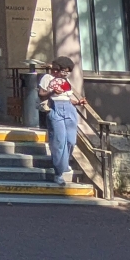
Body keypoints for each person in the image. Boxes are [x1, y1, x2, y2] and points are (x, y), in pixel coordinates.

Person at [38, 56, 86, 185]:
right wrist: (52, 91)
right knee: (59, 141)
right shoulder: (47, 78)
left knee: (71, 140)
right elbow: (41, 94)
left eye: (67, 71)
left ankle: (64, 162)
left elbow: (68, 97)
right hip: (55, 108)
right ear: (56, 69)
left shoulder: (66, 81)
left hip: (69, 109)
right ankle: (58, 173)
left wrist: (78, 102)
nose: (65, 74)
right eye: (63, 71)